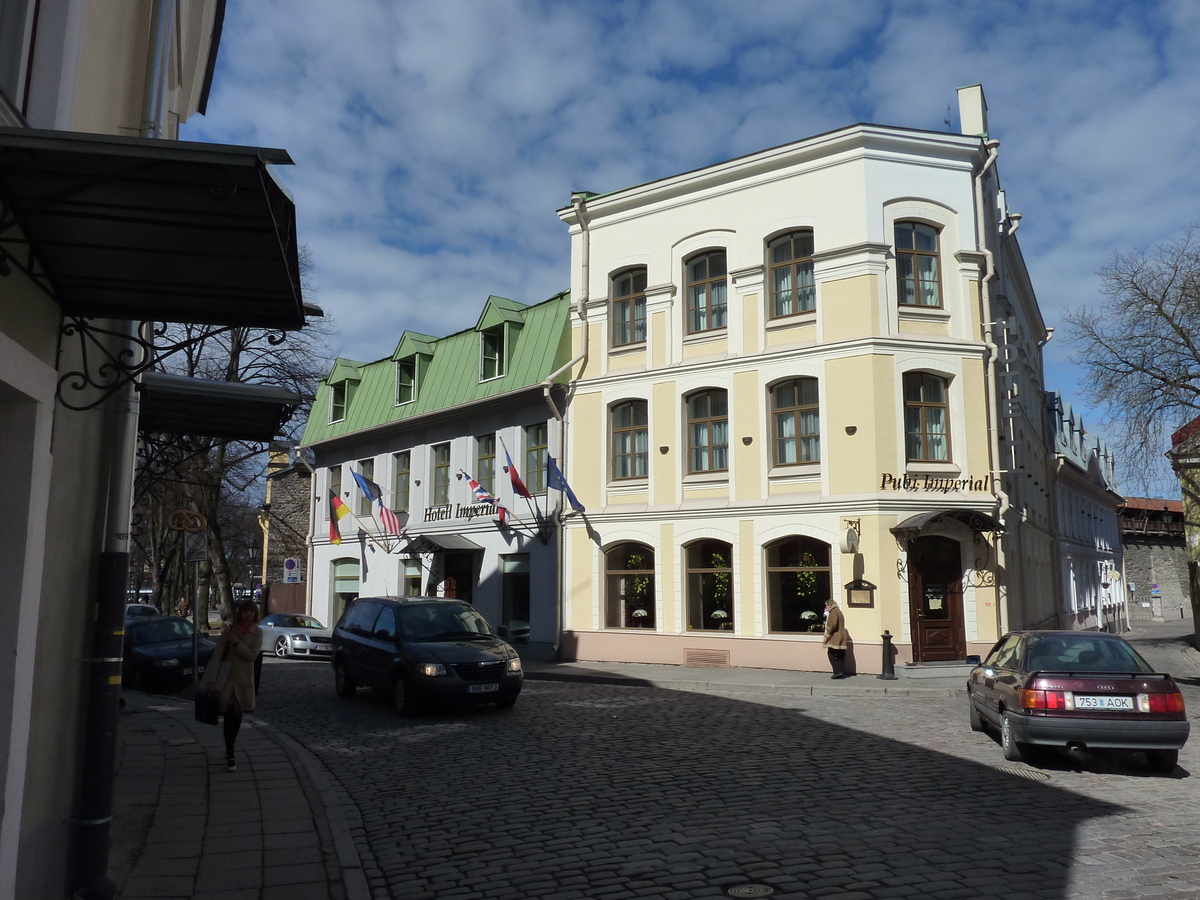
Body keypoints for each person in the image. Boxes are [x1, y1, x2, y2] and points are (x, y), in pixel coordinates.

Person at [203, 599, 263, 771]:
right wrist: (211, 679)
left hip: (245, 678)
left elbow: (252, 655)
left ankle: (230, 746)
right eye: (245, 611)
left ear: (255, 614)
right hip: (228, 677)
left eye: (251, 611)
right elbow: (218, 655)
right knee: (230, 712)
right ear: (240, 612)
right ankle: (230, 753)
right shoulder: (229, 629)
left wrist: (237, 642)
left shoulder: (257, 632)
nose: (248, 614)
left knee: (236, 716)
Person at [822, 597, 849, 679]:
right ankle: (840, 671)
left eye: (826, 606)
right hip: (842, 635)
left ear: (829, 605)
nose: (826, 608)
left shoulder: (833, 612)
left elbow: (833, 624)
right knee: (840, 654)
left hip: (835, 636)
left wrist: (828, 633)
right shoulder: (839, 612)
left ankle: (837, 671)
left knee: (831, 653)